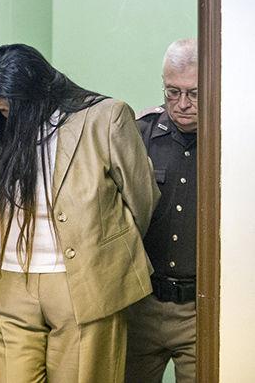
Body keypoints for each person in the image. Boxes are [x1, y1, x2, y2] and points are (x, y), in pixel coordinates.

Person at [0, 43, 160, 383]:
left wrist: (104, 254)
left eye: (14, 111)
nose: (7, 118)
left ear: (42, 93)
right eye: (1, 111)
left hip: (85, 284)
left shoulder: (104, 117)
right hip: (8, 282)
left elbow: (141, 199)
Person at [125, 38, 198, 383]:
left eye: (194, 93)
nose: (182, 104)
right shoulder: (140, 135)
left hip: (201, 309)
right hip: (143, 304)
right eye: (172, 92)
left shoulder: (229, 140)